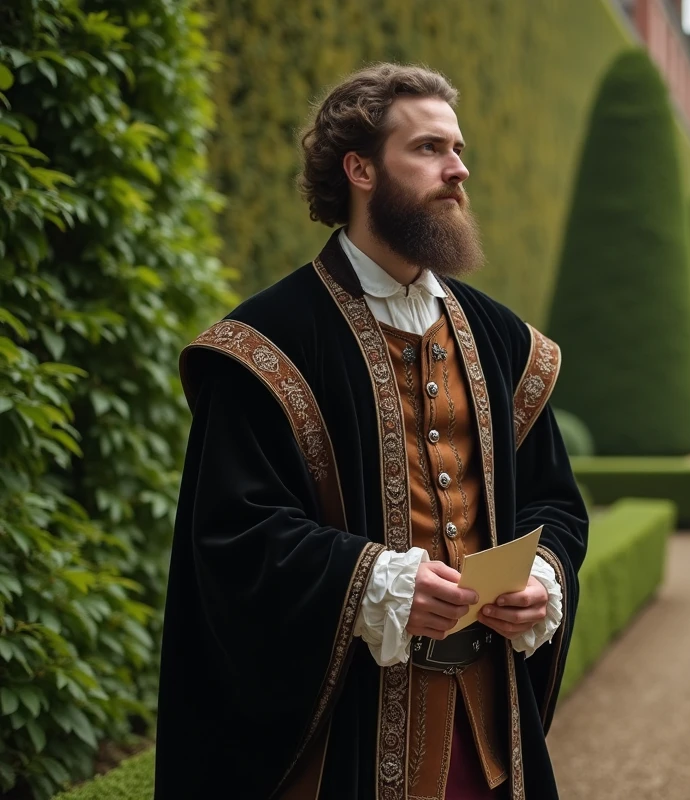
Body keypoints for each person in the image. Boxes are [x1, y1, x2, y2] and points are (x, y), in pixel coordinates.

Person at [154, 63, 588, 800]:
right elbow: (233, 535)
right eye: (428, 148)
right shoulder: (267, 345)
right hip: (345, 741)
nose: (458, 169)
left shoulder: (503, 340)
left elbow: (555, 503)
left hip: (491, 731)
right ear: (359, 170)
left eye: (457, 148)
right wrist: (373, 583)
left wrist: (541, 578)